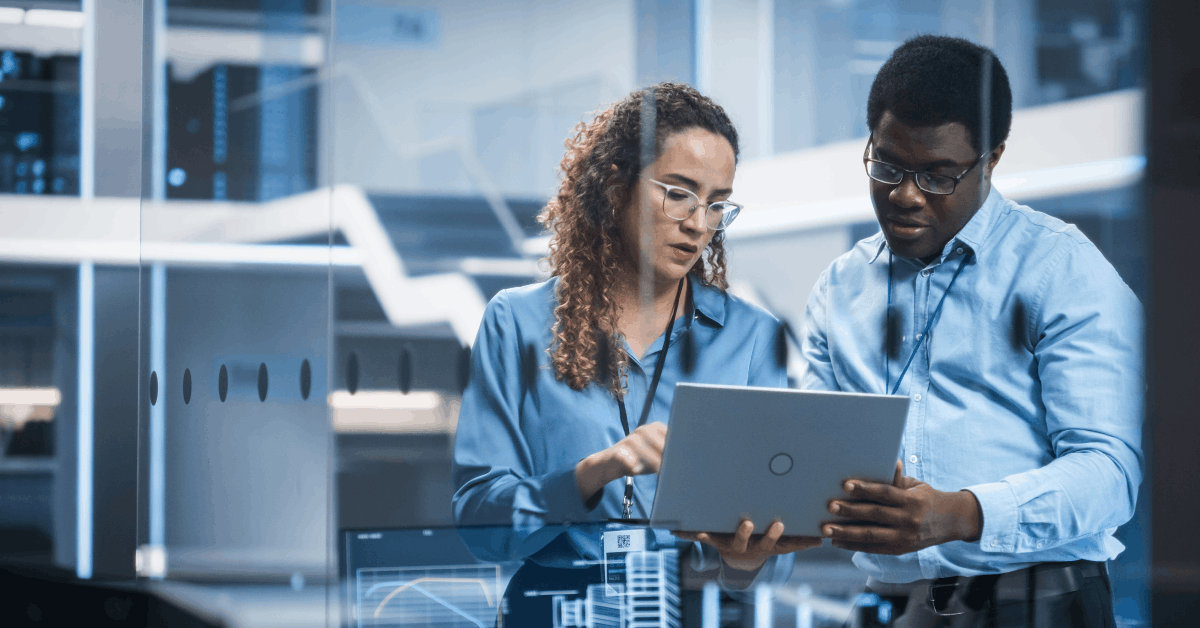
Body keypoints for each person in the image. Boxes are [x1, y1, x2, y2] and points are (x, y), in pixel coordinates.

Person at [801, 36, 1142, 627]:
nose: (905, 195)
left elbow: (1111, 475)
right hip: (894, 604)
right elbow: (807, 461)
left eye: (938, 174)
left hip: (1040, 603)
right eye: (886, 167)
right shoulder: (839, 289)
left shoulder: (1061, 268)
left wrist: (962, 514)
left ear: (992, 159)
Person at [452, 82, 818, 627]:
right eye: (678, 193)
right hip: (553, 610)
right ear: (615, 185)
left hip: (690, 608)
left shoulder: (753, 337)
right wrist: (596, 472)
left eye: (717, 204)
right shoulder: (517, 322)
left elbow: (762, 566)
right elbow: (478, 521)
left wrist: (747, 560)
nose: (699, 224)